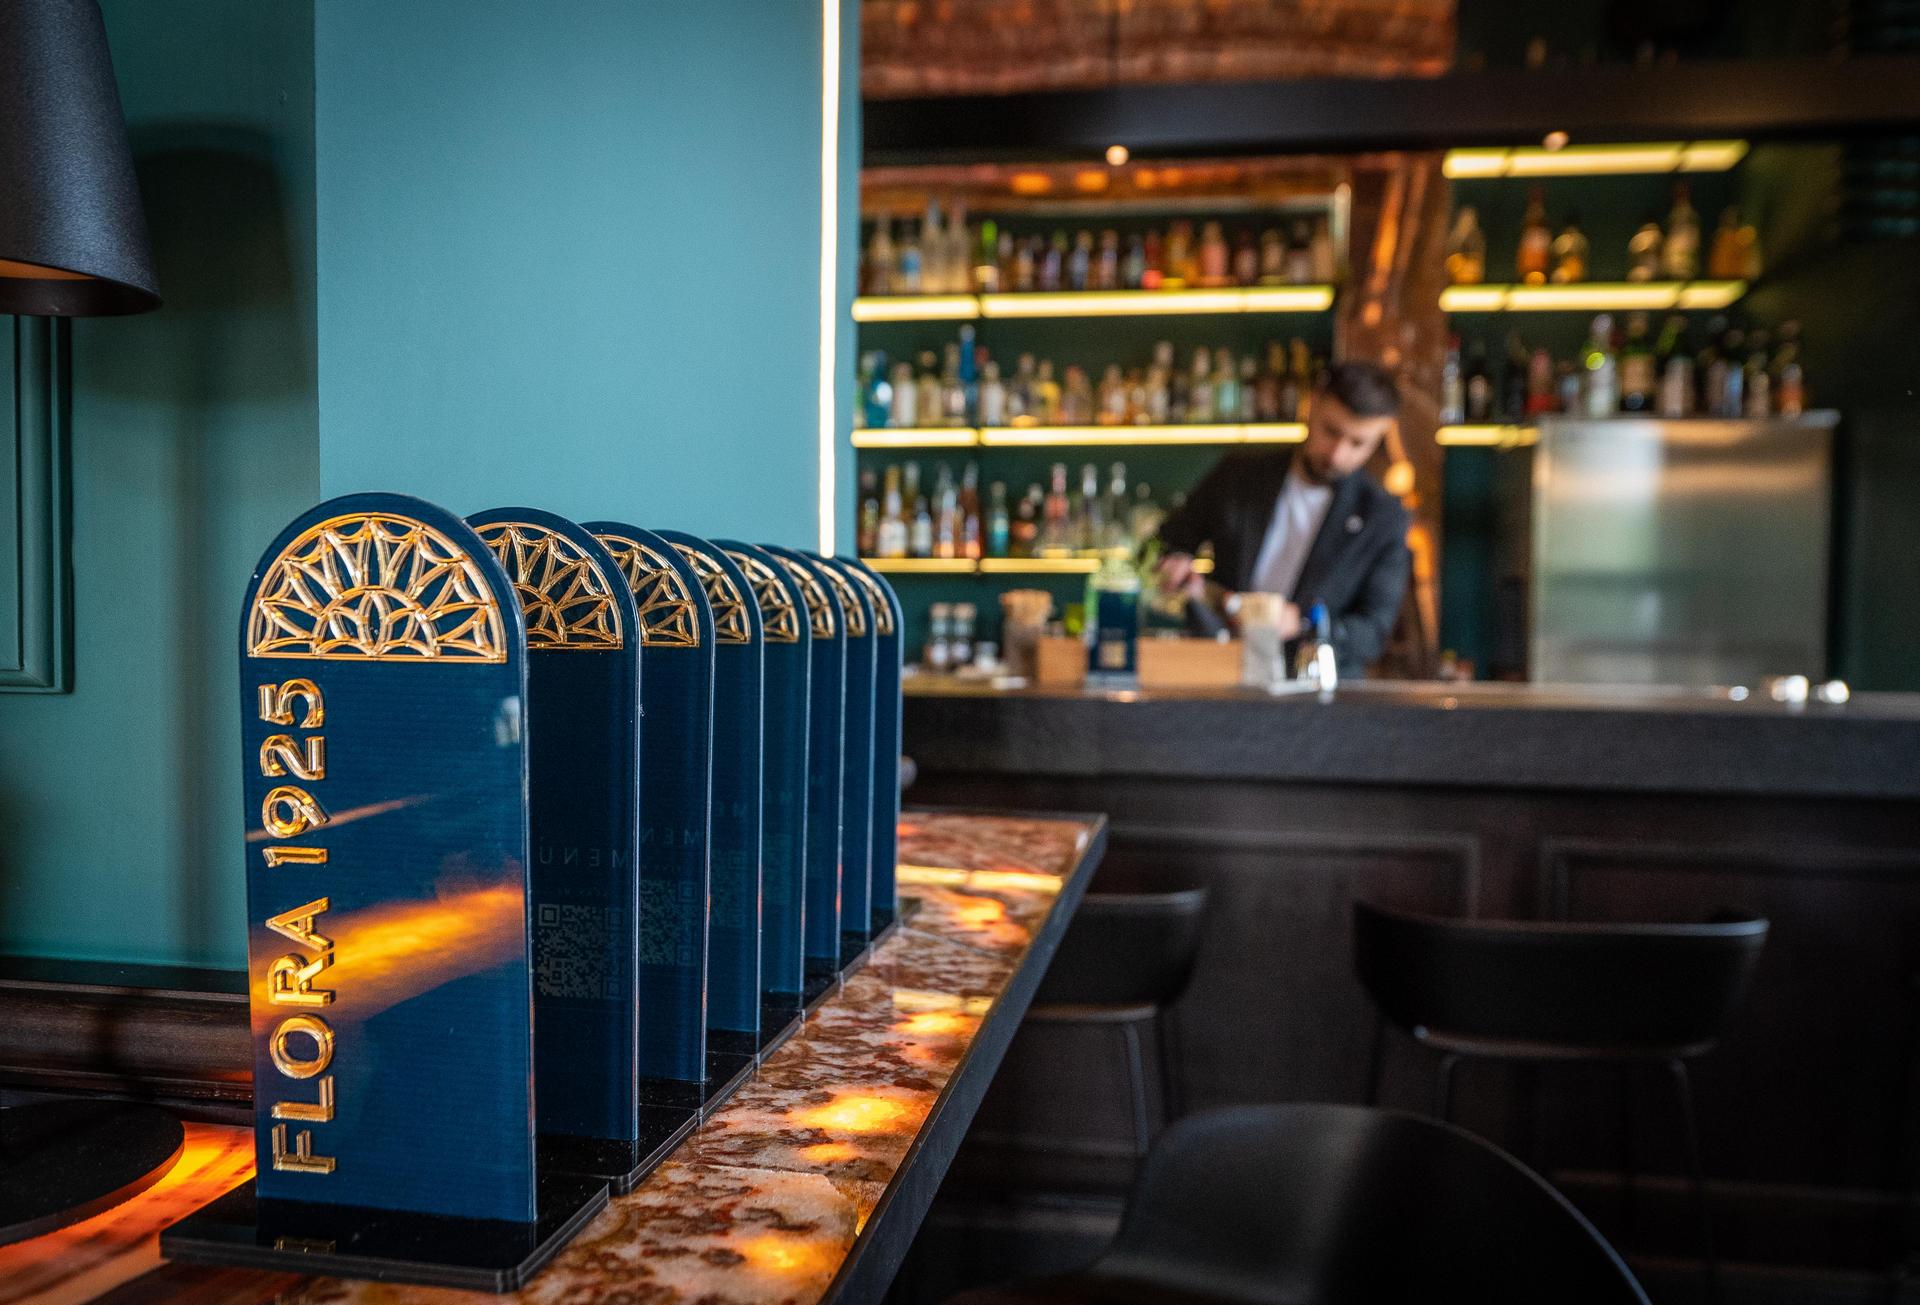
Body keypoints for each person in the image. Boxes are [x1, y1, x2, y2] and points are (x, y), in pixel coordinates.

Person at [1156, 361, 1411, 679]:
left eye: (1357, 443)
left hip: (1316, 690)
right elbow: (1166, 544)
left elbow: (1373, 632)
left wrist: (1304, 623)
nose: (1337, 454)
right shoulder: (1238, 475)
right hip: (1221, 671)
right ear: (1311, 406)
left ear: (1380, 437)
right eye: (1331, 431)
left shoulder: (1383, 518)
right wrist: (1176, 566)